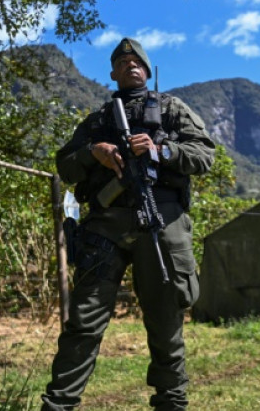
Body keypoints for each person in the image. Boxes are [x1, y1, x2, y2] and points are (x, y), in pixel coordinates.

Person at [41, 38, 215, 411]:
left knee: (166, 323)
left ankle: (171, 404)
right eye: (122, 61)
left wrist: (161, 151)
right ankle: (58, 405)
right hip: (105, 226)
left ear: (147, 71)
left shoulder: (171, 108)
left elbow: (204, 155)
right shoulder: (98, 120)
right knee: (84, 321)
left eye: (137, 61)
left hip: (162, 223)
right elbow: (65, 165)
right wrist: (94, 152)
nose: (130, 64)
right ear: (113, 72)